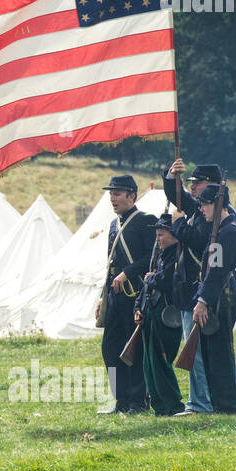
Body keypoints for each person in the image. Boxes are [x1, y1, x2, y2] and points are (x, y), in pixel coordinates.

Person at [162, 161, 235, 414]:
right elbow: (177, 196)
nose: (193, 187)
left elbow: (198, 238)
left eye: (198, 182)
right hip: (194, 291)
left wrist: (179, 225)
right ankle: (202, 401)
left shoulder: (221, 219)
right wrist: (172, 176)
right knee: (199, 352)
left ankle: (203, 403)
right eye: (191, 183)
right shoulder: (204, 209)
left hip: (209, 293)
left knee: (208, 353)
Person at [97, 175, 155, 414]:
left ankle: (138, 401)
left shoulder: (145, 222)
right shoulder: (114, 225)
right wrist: (103, 297)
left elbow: (151, 259)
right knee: (110, 349)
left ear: (132, 195)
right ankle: (119, 399)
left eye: (118, 193)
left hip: (135, 295)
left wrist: (127, 273)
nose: (113, 198)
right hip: (115, 296)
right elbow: (110, 265)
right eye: (111, 193)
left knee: (134, 349)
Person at [133, 221, 185, 416]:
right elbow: (146, 286)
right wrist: (137, 308)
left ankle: (172, 404)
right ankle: (159, 406)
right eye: (157, 234)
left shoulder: (178, 255)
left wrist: (150, 278)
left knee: (161, 360)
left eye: (162, 234)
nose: (158, 238)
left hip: (165, 313)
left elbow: (164, 279)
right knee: (149, 363)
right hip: (151, 311)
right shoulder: (160, 256)